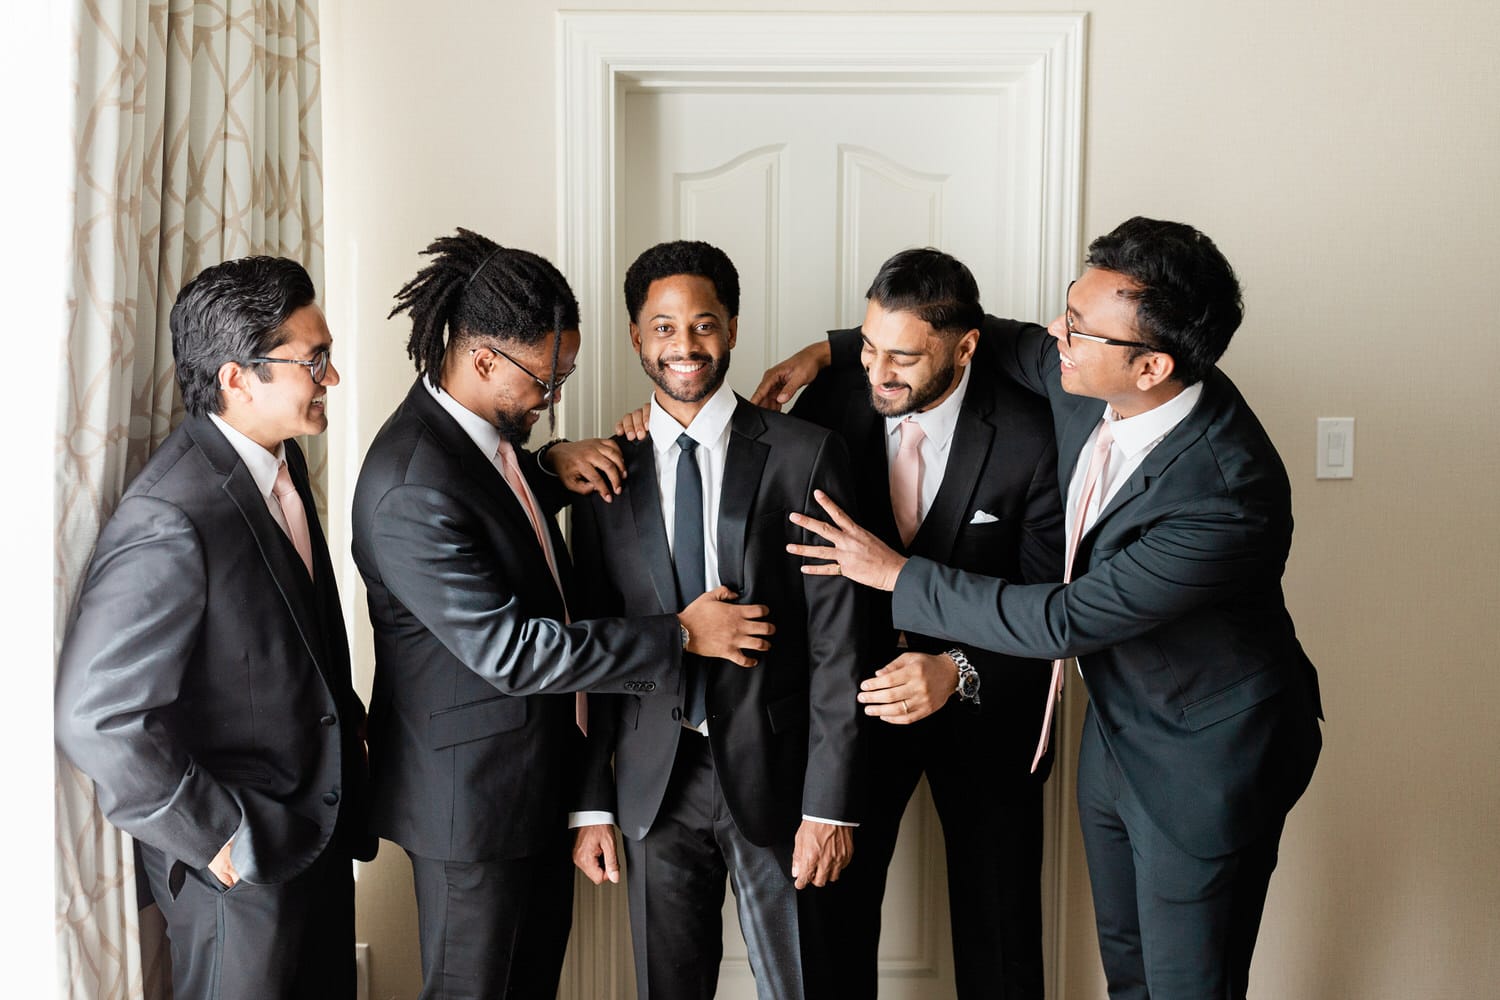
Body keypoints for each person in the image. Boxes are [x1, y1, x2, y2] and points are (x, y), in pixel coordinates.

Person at [767, 217, 1324, 1000]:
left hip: (1209, 751)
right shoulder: (1089, 374)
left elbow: (1060, 620)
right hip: (1116, 732)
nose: (1055, 333)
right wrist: (829, 347)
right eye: (1070, 306)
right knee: (1127, 967)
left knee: (1188, 983)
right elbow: (981, 330)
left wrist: (895, 573)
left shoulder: (1230, 500)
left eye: (1078, 327)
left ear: (1151, 364)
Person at [352, 229, 771, 1000]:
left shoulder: (484, 440)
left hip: (523, 793)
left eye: (565, 374)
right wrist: (679, 633)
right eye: (547, 380)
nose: (554, 398)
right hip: (469, 810)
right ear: (484, 360)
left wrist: (550, 466)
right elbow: (513, 652)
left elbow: (497, 517)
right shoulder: (411, 482)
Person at [55, 256, 373, 999]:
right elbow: (93, 715)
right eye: (314, 360)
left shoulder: (278, 465)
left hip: (314, 841)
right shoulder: (172, 515)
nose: (332, 378)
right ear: (237, 378)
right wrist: (216, 834)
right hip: (241, 873)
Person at [570, 240, 866, 999]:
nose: (685, 346)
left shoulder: (806, 455)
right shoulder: (608, 472)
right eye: (663, 328)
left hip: (780, 776)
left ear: (732, 329)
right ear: (637, 338)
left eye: (702, 324)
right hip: (652, 782)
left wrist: (829, 805)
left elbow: (839, 643)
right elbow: (594, 642)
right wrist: (591, 802)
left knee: (799, 985)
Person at [783, 247, 1062, 998]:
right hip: (854, 707)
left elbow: (1046, 609)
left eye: (902, 357)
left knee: (1000, 932)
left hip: (987, 704)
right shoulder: (829, 406)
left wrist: (958, 670)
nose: (878, 373)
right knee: (830, 920)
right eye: (868, 347)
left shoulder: (1034, 436)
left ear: (965, 347)